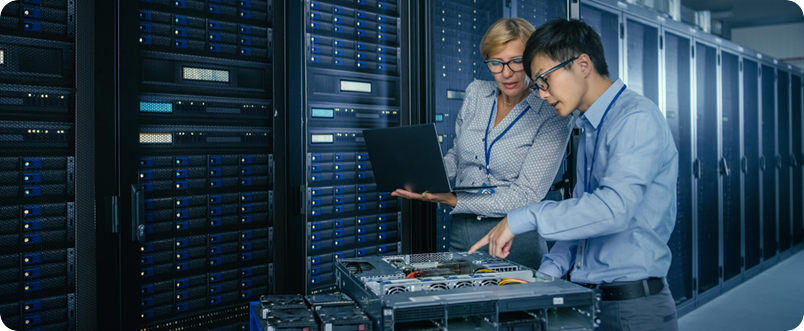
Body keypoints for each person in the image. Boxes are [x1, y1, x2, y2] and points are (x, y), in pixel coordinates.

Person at [469, 19, 679, 331]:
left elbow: (612, 210)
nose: (541, 94)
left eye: (544, 80)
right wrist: (544, 275)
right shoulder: (591, 126)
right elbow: (584, 218)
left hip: (633, 309)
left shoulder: (635, 119)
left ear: (582, 64)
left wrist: (521, 218)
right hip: (592, 302)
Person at [392, 18, 572, 270]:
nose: (506, 73)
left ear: (533, 60)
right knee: (463, 307)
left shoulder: (551, 113)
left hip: (516, 236)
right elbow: (458, 156)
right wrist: (423, 176)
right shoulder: (477, 93)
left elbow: (526, 195)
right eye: (496, 63)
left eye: (516, 61)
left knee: (515, 308)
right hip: (462, 231)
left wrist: (452, 199)